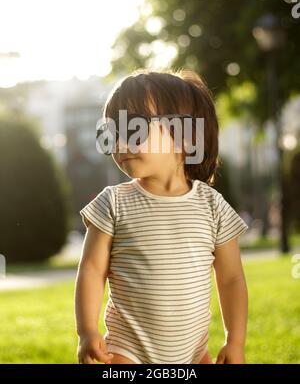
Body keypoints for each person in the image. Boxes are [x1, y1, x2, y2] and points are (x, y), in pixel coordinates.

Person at [75, 68, 249, 365]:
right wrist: (87, 332)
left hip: (194, 354)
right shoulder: (114, 203)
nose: (119, 143)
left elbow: (231, 279)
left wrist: (235, 342)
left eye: (134, 130)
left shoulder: (212, 206)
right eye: (111, 132)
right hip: (128, 351)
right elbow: (91, 271)